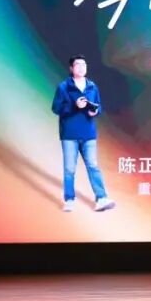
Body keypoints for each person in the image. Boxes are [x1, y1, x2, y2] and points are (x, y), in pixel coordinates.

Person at [51, 55, 115, 212]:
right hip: (69, 134)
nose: (81, 67)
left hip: (89, 133)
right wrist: (74, 106)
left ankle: (101, 198)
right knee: (69, 169)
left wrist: (95, 111)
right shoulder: (63, 87)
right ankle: (69, 200)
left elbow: (99, 106)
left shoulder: (92, 86)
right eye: (77, 65)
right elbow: (56, 108)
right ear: (71, 68)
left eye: (84, 65)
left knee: (93, 165)